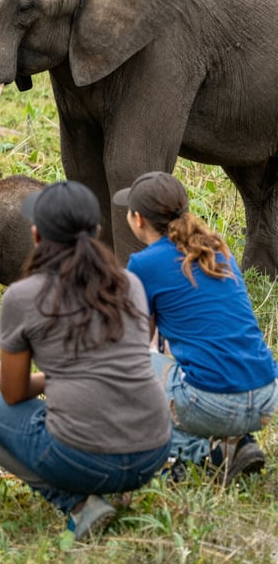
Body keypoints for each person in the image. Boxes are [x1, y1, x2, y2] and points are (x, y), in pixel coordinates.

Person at [0, 181, 171, 542]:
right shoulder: (130, 284)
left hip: (85, 459)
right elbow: (112, 366)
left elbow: (14, 395)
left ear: (35, 235)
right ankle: (118, 486)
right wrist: (57, 376)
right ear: (96, 231)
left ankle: (78, 504)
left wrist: (23, 377)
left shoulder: (22, 296)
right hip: (153, 451)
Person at [114, 171, 278, 485]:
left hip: (217, 403)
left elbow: (133, 344)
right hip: (266, 394)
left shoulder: (143, 264)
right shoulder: (217, 251)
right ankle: (238, 442)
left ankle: (201, 451)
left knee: (125, 371)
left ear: (137, 219)